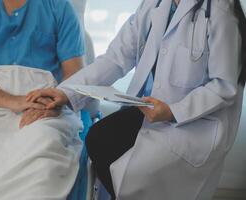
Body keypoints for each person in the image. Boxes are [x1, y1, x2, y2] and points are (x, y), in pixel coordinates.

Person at [26, 0, 246, 199]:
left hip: (193, 122)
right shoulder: (155, 5)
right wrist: (66, 92)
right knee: (98, 140)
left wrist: (173, 111)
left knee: (126, 161)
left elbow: (224, 86)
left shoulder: (219, 10)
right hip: (150, 111)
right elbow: (115, 58)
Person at [0, 0, 85, 199]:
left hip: (43, 98)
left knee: (43, 142)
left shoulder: (58, 6)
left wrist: (57, 102)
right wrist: (14, 101)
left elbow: (74, 72)